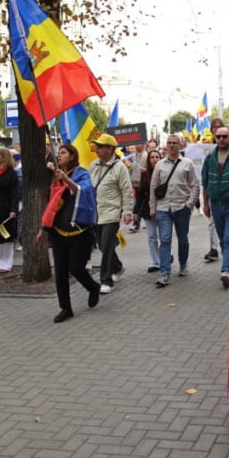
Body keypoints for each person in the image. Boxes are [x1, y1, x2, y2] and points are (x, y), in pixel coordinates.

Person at [36, 144, 101, 323]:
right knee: (60, 272)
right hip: (58, 232)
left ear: (72, 156)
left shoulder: (82, 174)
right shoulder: (56, 177)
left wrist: (65, 179)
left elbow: (81, 191)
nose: (59, 155)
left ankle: (93, 287)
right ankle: (65, 308)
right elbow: (52, 205)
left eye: (63, 152)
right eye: (58, 153)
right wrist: (43, 228)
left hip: (79, 232)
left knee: (77, 268)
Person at [149, 134, 200, 288]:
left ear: (180, 145)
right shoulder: (160, 165)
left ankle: (183, 264)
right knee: (165, 239)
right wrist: (152, 208)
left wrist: (189, 205)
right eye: (169, 143)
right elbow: (153, 187)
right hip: (163, 208)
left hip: (181, 208)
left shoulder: (187, 163)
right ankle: (165, 273)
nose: (171, 145)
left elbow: (195, 185)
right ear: (166, 145)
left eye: (174, 143)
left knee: (182, 238)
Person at [88, 134, 134, 294]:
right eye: (97, 146)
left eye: (100, 146)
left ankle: (106, 280)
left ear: (110, 149)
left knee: (107, 246)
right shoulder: (93, 165)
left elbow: (126, 190)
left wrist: (127, 211)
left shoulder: (120, 167)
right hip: (96, 213)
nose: (97, 149)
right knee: (102, 246)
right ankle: (118, 267)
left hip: (112, 213)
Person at [201, 126, 229, 288]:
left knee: (228, 238)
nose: (221, 139)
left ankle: (225, 270)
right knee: (222, 239)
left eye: (224, 136)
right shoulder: (210, 159)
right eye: (218, 136)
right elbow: (205, 183)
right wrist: (206, 204)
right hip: (215, 204)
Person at [0, 148, 20, 273]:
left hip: (6, 208)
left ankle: (6, 264)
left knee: (5, 236)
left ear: (4, 157)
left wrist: (13, 209)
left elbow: (15, 193)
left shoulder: (12, 174)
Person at [202, 117, 226, 263]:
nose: (217, 131)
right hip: (213, 192)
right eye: (214, 128)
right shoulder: (206, 147)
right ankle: (213, 248)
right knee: (212, 222)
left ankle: (226, 252)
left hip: (227, 193)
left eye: (219, 127)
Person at [137, 149, 162, 273]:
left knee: (164, 236)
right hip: (148, 209)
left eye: (157, 157)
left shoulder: (164, 171)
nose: (155, 159)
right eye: (152, 157)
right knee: (152, 236)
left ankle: (167, 255)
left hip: (163, 207)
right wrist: (135, 211)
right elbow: (141, 193)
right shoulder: (144, 173)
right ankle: (156, 262)